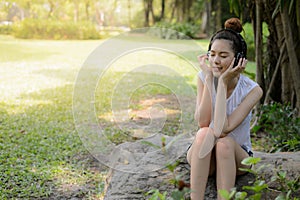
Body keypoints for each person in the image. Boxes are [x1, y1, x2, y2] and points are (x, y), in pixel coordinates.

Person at [186, 18, 263, 200]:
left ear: (239, 59)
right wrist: (208, 79)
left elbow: (222, 129)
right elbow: (203, 121)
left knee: (225, 143)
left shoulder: (252, 90)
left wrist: (222, 83)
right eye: (212, 54)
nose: (215, 61)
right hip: (204, 155)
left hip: (236, 159)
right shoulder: (203, 77)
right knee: (204, 133)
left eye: (223, 55)